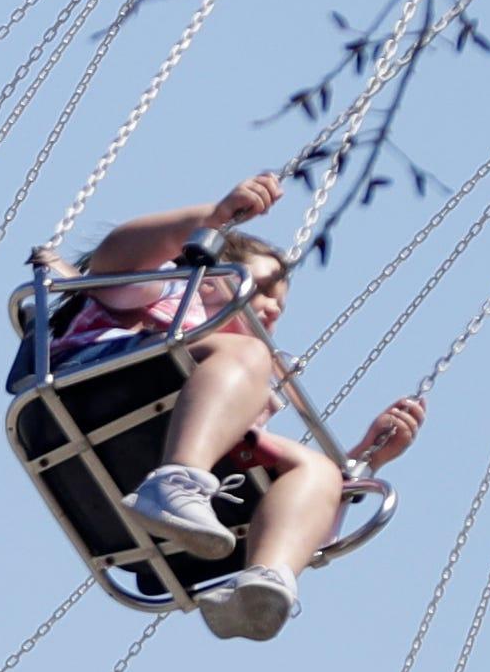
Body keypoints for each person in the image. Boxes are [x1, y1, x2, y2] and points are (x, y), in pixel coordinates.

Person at [24, 174, 424, 641]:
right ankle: (176, 481)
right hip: (105, 384)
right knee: (246, 356)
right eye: (266, 288)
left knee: (319, 471)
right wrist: (210, 220)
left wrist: (364, 458)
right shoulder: (164, 295)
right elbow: (120, 254)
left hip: (191, 450)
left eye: (281, 303)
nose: (272, 308)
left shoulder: (239, 377)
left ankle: (263, 581)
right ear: (210, 276)